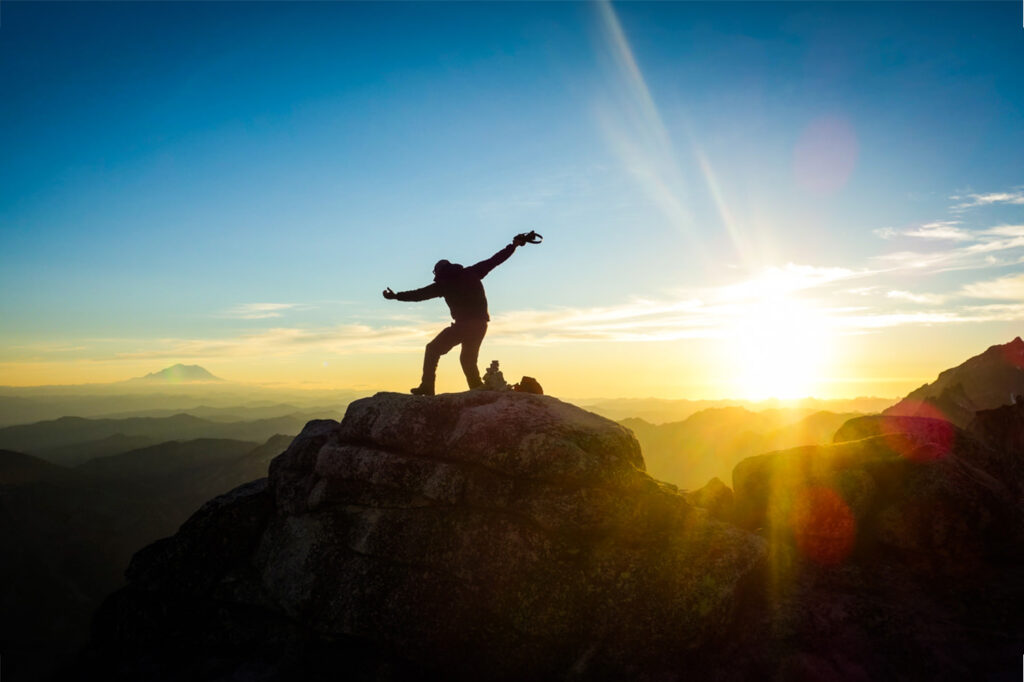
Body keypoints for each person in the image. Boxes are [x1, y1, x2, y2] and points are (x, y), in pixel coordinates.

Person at [383, 234, 529, 396]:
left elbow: (419, 295)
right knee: (467, 359)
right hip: (481, 325)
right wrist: (514, 245)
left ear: (439, 273)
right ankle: (475, 388)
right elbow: (495, 260)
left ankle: (427, 387)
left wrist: (396, 296)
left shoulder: (443, 284)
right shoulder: (472, 272)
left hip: (464, 325)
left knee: (432, 349)